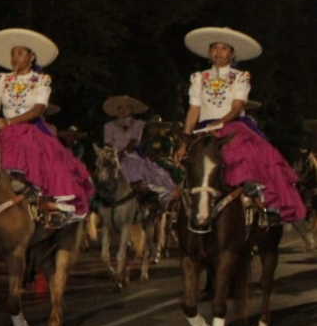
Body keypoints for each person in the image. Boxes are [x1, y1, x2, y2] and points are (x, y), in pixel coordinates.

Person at [181, 26, 306, 221]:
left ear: (231, 53)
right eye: (215, 47)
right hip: (204, 129)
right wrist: (185, 139)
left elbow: (236, 107)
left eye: (224, 48)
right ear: (209, 52)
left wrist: (219, 124)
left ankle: (256, 192)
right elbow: (193, 111)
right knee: (187, 162)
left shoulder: (240, 77)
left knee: (245, 153)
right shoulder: (198, 78)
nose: (218, 52)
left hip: (231, 125)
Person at [0, 28, 94, 218]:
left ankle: (46, 200)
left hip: (30, 129)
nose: (15, 58)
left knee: (52, 162)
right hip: (4, 130)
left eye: (20, 53)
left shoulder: (41, 80)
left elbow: (37, 110)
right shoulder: (1, 79)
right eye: (12, 54)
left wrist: (9, 121)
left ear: (31, 57)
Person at [102, 95, 177, 198]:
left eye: (126, 107)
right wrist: (110, 155)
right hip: (113, 157)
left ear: (131, 109)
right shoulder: (109, 126)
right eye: (120, 108)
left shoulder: (138, 124)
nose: (123, 110)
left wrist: (122, 153)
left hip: (130, 155)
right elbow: (108, 144)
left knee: (140, 171)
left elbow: (133, 141)